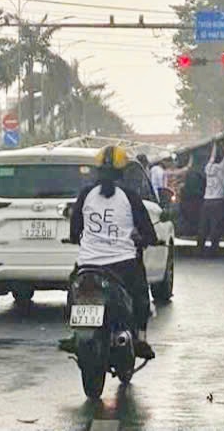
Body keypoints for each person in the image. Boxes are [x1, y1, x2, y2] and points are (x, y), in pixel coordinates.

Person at [66, 145, 159, 359]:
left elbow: (75, 230)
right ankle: (141, 338)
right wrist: (146, 240)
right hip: (123, 264)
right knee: (140, 296)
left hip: (87, 264)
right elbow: (148, 232)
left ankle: (75, 334)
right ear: (122, 171)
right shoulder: (130, 197)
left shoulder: (85, 195)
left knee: (73, 291)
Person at [198, 139, 224, 255]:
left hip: (206, 200)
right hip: (217, 201)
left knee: (204, 225)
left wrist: (214, 145)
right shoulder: (221, 168)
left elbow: (211, 157)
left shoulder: (208, 168)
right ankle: (214, 249)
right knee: (215, 225)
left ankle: (200, 248)